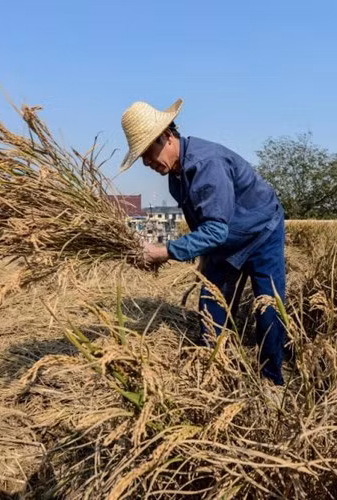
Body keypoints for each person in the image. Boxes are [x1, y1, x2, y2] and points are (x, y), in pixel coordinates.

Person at [119, 98, 287, 386]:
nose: (146, 163)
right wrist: (202, 258)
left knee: (268, 306)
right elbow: (204, 223)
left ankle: (272, 379)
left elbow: (215, 231)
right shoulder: (176, 175)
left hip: (261, 230)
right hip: (225, 238)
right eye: (141, 158)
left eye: (147, 152)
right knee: (211, 306)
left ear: (167, 136)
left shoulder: (207, 165)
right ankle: (215, 368)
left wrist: (163, 251)